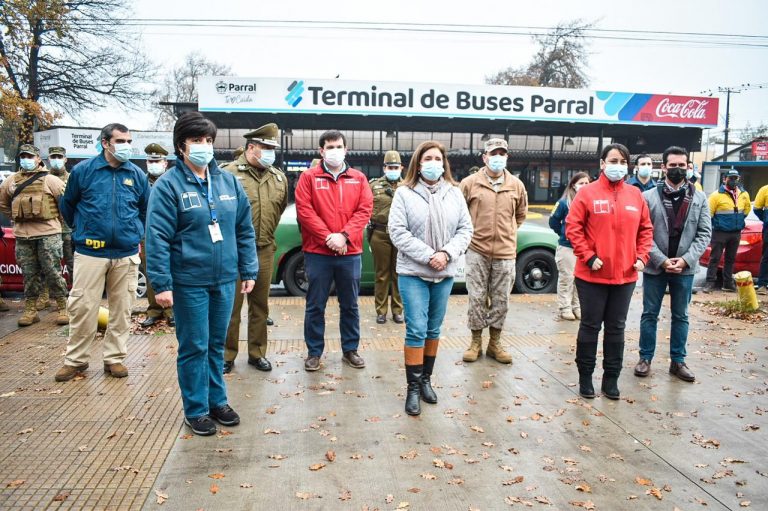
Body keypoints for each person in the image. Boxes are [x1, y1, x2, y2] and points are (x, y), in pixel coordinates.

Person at [146, 112, 258, 436]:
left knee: (216, 344)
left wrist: (248, 268)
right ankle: (196, 409)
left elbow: (243, 230)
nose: (204, 146)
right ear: (182, 146)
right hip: (189, 281)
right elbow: (156, 237)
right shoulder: (168, 186)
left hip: (224, 279)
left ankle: (217, 401)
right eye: (197, 140)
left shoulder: (227, 181)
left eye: (209, 140)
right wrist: (162, 284)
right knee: (194, 345)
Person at [55, 123, 150, 382]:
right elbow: (68, 206)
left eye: (129, 140)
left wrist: (134, 232)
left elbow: (144, 209)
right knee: (83, 308)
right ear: (105, 143)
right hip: (90, 252)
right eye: (120, 140)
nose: (126, 146)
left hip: (126, 253)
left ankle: (114, 359)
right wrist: (84, 230)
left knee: (122, 309)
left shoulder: (137, 175)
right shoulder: (84, 171)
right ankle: (76, 360)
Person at [389, 140, 473, 416]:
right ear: (418, 163)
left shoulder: (454, 193)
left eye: (438, 158)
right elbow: (398, 232)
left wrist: (446, 254)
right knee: (416, 329)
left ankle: (425, 380)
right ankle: (412, 388)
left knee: (434, 330)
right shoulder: (404, 193)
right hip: (414, 272)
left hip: (444, 272)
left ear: (444, 163)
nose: (433, 163)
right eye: (428, 158)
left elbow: (465, 229)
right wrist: (429, 256)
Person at [566, 143, 653, 400]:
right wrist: (588, 255)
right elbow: (573, 227)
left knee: (616, 328)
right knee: (590, 326)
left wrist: (641, 257)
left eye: (622, 161)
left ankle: (611, 378)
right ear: (602, 164)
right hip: (591, 275)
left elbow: (646, 230)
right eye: (613, 160)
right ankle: (585, 377)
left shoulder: (635, 195)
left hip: (624, 276)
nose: (618, 165)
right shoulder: (588, 194)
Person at [295, 130, 373, 372]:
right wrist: (328, 237)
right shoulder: (308, 178)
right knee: (315, 304)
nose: (334, 151)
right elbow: (305, 211)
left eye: (338, 146)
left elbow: (364, 210)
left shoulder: (359, 178)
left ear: (346, 149)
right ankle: (314, 352)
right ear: (321, 151)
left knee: (350, 304)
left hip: (349, 253)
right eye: (329, 147)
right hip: (318, 252)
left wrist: (344, 236)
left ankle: (350, 350)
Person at [635, 146, 712, 382]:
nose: (677, 169)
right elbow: (642, 233)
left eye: (682, 165)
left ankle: (678, 361)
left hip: (685, 269)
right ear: (663, 167)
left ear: (688, 167)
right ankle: (645, 358)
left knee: (681, 315)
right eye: (673, 165)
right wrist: (662, 260)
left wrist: (686, 260)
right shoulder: (647, 197)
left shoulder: (700, 197)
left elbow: (704, 233)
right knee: (650, 314)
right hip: (655, 266)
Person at [222, 123, 287, 374]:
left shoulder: (278, 177)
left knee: (260, 306)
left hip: (264, 249)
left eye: (273, 148)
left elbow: (278, 211)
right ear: (252, 148)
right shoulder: (227, 174)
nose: (271, 152)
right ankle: (227, 355)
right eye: (266, 147)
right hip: (234, 251)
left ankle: (257, 353)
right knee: (231, 307)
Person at [459, 138, 527, 364]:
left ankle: (494, 343)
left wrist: (506, 233)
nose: (498, 157)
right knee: (476, 297)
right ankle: (475, 341)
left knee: (501, 299)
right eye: (493, 153)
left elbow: (520, 215)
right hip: (477, 250)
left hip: (505, 252)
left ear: (507, 157)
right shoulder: (469, 183)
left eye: (502, 153)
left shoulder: (516, 185)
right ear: (484, 157)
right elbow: (459, 214)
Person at [0, 144, 68, 326]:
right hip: (23, 236)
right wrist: (16, 217)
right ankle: (31, 309)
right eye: (23, 156)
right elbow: (3, 203)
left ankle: (63, 307)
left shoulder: (50, 180)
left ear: (38, 159)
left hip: (48, 234)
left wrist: (57, 223)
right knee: (29, 275)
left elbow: (65, 204)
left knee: (53, 272)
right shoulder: (11, 181)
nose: (26, 160)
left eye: (30, 156)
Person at [139, 143, 175, 328]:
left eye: (157, 160)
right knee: (151, 272)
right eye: (150, 160)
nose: (153, 164)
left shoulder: (172, 181)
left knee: (171, 271)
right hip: (147, 235)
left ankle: (171, 311)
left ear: (165, 163)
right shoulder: (141, 182)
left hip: (170, 234)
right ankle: (154, 310)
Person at [35, 146, 74, 311]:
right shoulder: (43, 178)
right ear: (49, 159)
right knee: (47, 265)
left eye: (59, 157)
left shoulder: (72, 178)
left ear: (65, 159)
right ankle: (44, 296)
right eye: (53, 157)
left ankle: (75, 296)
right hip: (49, 230)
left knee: (73, 264)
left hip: (69, 229)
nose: (56, 160)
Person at [369, 150, 405, 324]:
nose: (393, 169)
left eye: (395, 167)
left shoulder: (407, 186)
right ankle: (381, 311)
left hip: (402, 235)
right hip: (380, 233)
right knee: (381, 274)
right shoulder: (374, 186)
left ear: (401, 168)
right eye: (390, 167)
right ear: (384, 168)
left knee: (399, 274)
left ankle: (398, 310)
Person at [549, 172, 590, 321]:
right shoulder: (564, 203)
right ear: (573, 185)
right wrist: (563, 232)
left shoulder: (589, 201)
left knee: (580, 280)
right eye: (581, 183)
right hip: (567, 247)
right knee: (567, 278)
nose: (584, 186)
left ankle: (577, 307)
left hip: (584, 248)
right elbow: (553, 221)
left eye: (587, 183)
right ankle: (564, 308)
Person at [703, 170, 751, 293]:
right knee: (715, 258)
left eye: (736, 178)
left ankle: (728, 283)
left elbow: (746, 211)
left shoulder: (744, 194)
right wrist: (719, 224)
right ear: (724, 179)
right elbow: (709, 214)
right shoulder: (715, 195)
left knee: (731, 258)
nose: (733, 180)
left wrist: (736, 222)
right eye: (731, 178)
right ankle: (710, 283)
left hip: (735, 232)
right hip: (720, 232)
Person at [753, 183, 768, 295]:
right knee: (767, 256)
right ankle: (762, 283)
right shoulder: (765, 189)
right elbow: (757, 209)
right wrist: (766, 220)